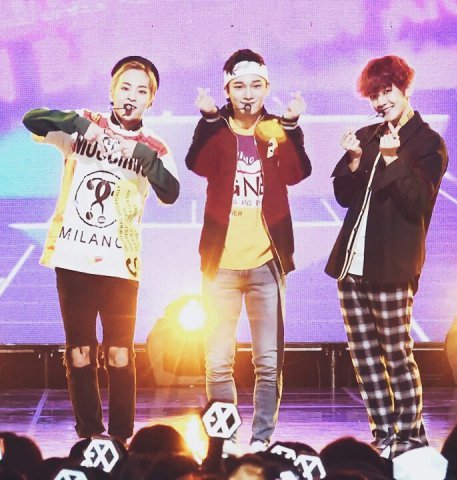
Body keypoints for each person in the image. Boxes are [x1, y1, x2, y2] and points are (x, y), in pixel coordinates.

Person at [22, 56, 180, 443]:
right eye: (125, 87)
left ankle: (121, 439)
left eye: (141, 91)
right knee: (79, 352)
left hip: (120, 264)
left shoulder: (154, 145)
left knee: (119, 355)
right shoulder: (84, 123)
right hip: (73, 258)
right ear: (112, 91)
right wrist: (77, 125)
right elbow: (32, 120)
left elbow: (171, 192)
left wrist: (141, 156)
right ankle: (90, 436)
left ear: (151, 100)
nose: (132, 96)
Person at [185, 49, 311, 454]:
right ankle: (223, 442)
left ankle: (261, 441)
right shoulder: (217, 127)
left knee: (268, 363)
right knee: (218, 361)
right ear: (227, 90)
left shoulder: (275, 127)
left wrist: (290, 126)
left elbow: (297, 173)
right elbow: (196, 164)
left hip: (266, 265)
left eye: (256, 85)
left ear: (266, 88)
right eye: (239, 86)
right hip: (219, 267)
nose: (248, 93)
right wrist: (209, 119)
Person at [325, 55, 448, 457]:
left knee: (396, 354)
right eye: (374, 95)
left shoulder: (428, 142)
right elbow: (345, 197)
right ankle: (383, 434)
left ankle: (409, 437)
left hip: (392, 265)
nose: (380, 101)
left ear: (405, 88)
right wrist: (355, 160)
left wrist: (393, 159)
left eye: (387, 91)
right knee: (364, 356)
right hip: (352, 265)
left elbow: (418, 203)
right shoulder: (368, 135)